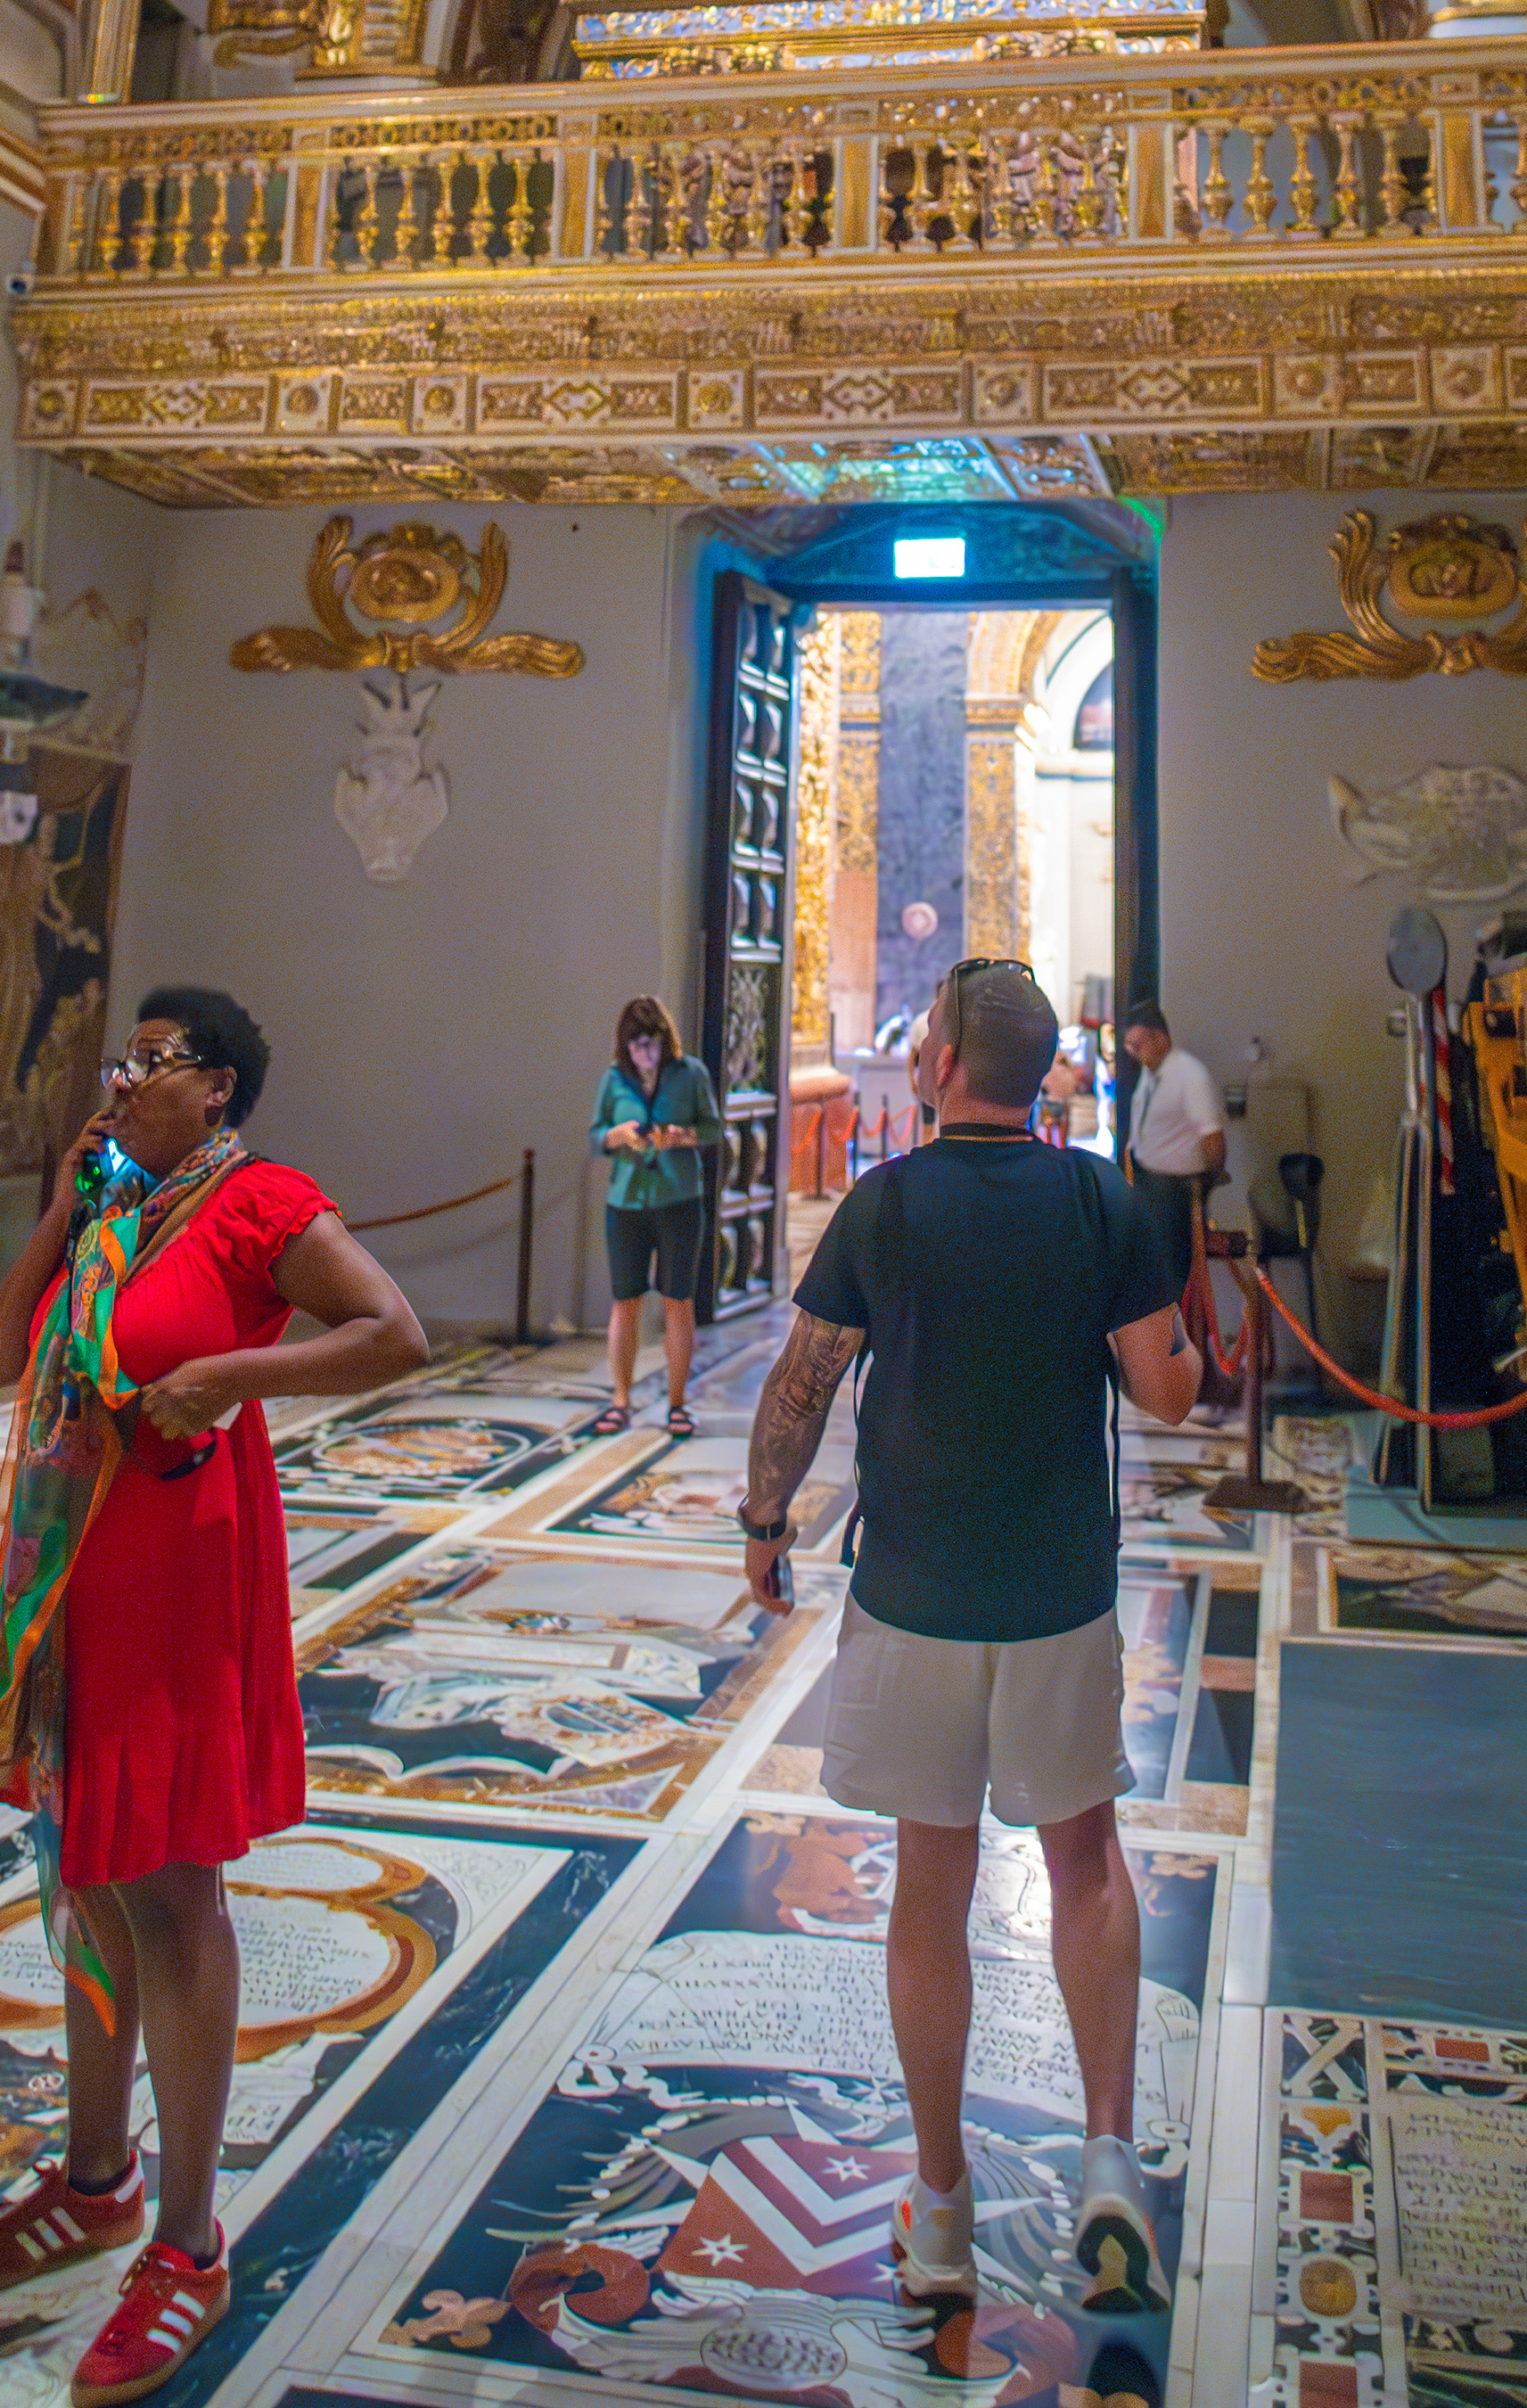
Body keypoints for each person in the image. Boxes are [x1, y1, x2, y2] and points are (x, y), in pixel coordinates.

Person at [0, 988, 427, 2403]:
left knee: (168, 1890)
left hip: (178, 1576)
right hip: (74, 1580)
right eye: (117, 1060)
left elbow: (391, 1333)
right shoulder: (114, 1211)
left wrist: (228, 1373)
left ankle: (189, 2240)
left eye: (145, 1065)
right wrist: (60, 1206)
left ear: (214, 1087)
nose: (119, 1083)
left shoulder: (258, 1203)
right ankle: (95, 2177)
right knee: (84, 1875)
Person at [735, 957, 1200, 2315]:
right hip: (1055, 1588)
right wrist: (1186, 1347)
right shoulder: (1097, 1198)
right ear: (1048, 1071)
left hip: (914, 1590)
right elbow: (1164, 1395)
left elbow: (802, 1378)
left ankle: (938, 2205)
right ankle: (1106, 2159)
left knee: (928, 1891)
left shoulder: (882, 1206)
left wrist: (764, 1519)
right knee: (1087, 1868)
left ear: (936, 1063)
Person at [588, 997, 720, 1436]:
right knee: (625, 1300)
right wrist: (616, 1135)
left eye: (654, 1043)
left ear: (666, 1041)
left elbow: (715, 1129)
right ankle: (620, 1399)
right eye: (638, 1045)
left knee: (677, 1301)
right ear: (625, 1046)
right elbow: (595, 1137)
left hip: (679, 1201)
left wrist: (685, 1136)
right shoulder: (614, 1079)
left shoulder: (691, 1074)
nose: (647, 1053)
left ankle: (678, 1403)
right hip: (626, 1203)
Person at [1120, 1002, 1226, 1282]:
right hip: (1147, 1184)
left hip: (1173, 1191)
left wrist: (1205, 1185)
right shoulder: (1151, 1072)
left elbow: (1213, 1140)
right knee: (1145, 1272)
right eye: (1130, 1046)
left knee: (1168, 1277)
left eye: (1139, 1045)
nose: (1134, 1053)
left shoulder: (1190, 1075)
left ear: (1160, 1037)